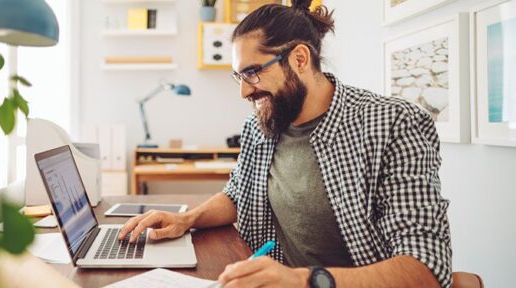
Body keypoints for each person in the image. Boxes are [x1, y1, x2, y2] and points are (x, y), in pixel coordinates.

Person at [118, 0, 452, 287]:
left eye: (252, 73)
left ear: (300, 59)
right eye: (239, 76)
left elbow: (426, 270)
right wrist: (186, 219)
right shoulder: (261, 125)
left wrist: (301, 280)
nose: (244, 91)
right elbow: (238, 194)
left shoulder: (394, 123)